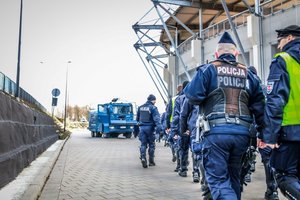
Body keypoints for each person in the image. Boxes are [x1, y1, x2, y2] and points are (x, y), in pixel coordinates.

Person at [184, 31, 265, 200]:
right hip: (243, 134)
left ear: (216, 53)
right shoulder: (248, 74)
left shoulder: (209, 69)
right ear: (235, 53)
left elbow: (191, 96)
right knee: (234, 178)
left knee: (219, 180)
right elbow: (260, 107)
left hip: (216, 133)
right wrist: (264, 135)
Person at [260, 25, 300, 199]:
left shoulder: (283, 60)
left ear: (290, 38)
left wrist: (269, 138)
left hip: (290, 133)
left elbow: (275, 101)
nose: (279, 46)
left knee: (284, 176)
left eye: (280, 40)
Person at [136, 94, 162, 168]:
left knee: (143, 144)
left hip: (142, 128)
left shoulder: (140, 107)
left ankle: (143, 157)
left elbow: (137, 119)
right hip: (150, 129)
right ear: (153, 100)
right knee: (151, 145)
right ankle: (151, 161)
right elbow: (157, 119)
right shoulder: (153, 108)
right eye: (155, 101)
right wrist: (159, 129)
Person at [170, 81, 189, 177]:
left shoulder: (178, 99)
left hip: (182, 128)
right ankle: (196, 172)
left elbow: (176, 116)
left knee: (183, 149)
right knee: (196, 151)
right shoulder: (196, 97)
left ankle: (183, 169)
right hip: (194, 129)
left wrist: (174, 131)